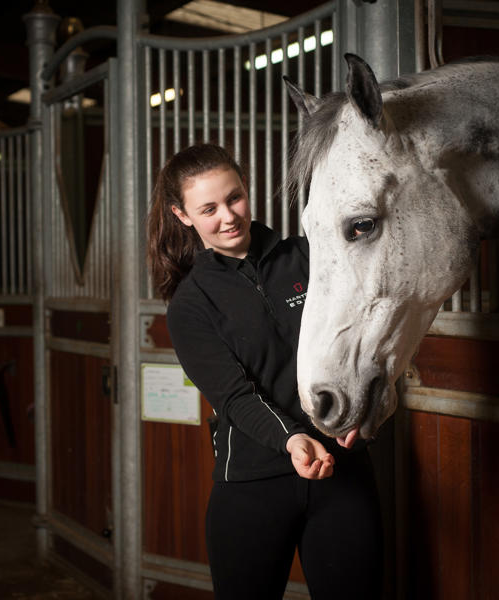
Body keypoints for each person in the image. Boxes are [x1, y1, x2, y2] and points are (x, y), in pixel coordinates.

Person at [147, 143, 383, 599]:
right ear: (182, 215)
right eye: (208, 208)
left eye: (234, 197)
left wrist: (363, 412)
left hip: (342, 470)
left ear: (246, 189)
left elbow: (364, 340)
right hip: (254, 483)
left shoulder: (310, 257)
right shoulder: (191, 305)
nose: (228, 216)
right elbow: (235, 397)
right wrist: (293, 439)